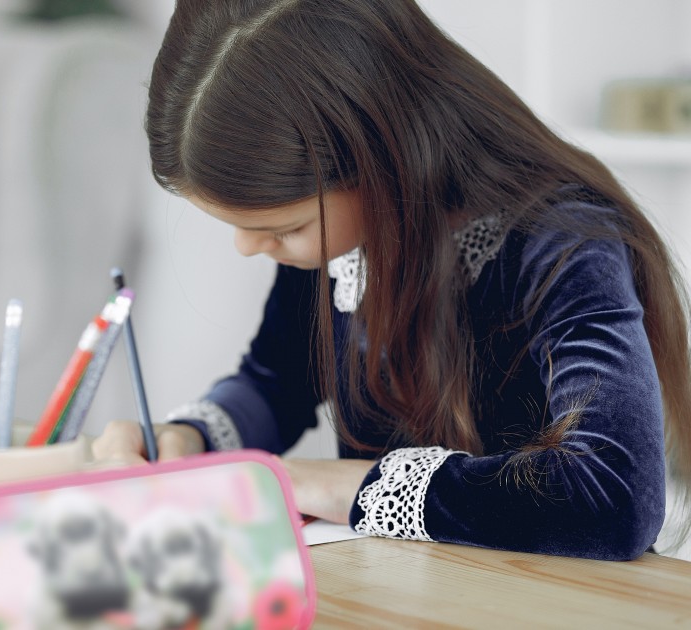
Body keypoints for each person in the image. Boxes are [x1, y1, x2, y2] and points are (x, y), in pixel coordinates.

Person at [93, 0, 691, 561]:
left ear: (383, 156)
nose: (248, 248)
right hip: (390, 593)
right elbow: (276, 382)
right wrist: (190, 437)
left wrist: (352, 486)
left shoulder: (564, 241)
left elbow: (613, 497)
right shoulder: (340, 242)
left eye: (284, 228)